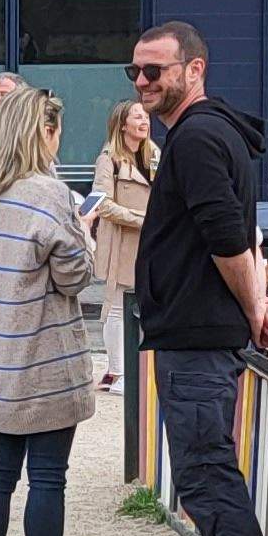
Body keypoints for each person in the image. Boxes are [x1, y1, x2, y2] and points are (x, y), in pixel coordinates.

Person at [129, 22, 268, 536]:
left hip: (199, 334)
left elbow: (226, 234)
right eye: (135, 72)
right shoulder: (207, 134)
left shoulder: (196, 138)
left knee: (205, 471)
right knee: (202, 471)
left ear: (194, 69)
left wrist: (254, 306)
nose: (143, 82)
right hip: (195, 328)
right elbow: (236, 233)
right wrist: (256, 301)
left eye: (155, 71)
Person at [0, 88, 99, 536]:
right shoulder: (50, 193)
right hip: (43, 354)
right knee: (47, 477)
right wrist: (83, 242)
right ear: (43, 132)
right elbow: (73, 274)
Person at [87, 100, 155, 395]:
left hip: (151, 242)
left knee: (146, 304)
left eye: (145, 115)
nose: (144, 120)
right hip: (122, 241)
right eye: (136, 116)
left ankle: (136, 368)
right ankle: (117, 371)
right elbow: (101, 203)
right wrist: (140, 219)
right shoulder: (109, 158)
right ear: (122, 124)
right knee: (116, 306)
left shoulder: (155, 155)